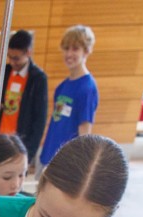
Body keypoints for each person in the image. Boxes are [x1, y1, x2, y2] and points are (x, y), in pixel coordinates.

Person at [37, 25, 99, 174]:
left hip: (66, 162)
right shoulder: (62, 86)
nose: (69, 53)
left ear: (86, 51)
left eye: (75, 49)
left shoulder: (87, 88)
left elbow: (84, 132)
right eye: (66, 48)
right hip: (48, 155)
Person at [0, 29, 48, 172]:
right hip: (1, 138)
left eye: (16, 58)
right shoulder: (5, 71)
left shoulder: (38, 78)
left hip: (21, 142)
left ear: (28, 53)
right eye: (10, 57)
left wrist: (29, 154)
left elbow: (40, 120)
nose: (12, 62)